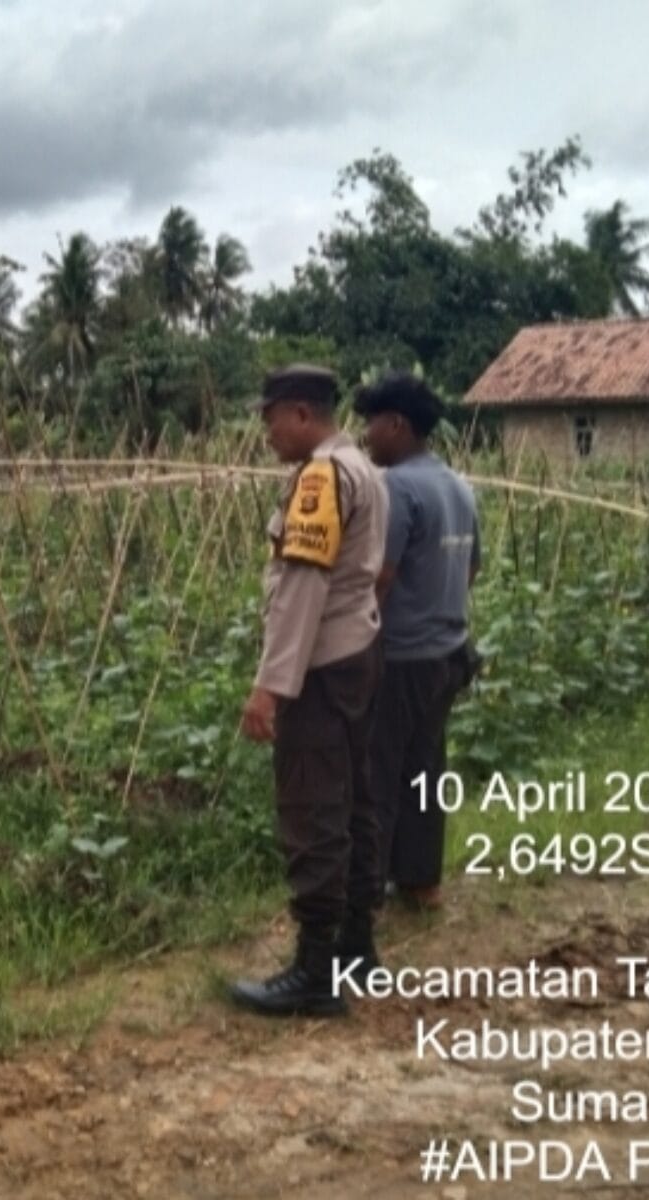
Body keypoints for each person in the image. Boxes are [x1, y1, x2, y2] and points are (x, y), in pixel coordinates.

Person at [230, 364, 388, 1017]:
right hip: (358, 651)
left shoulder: (322, 478)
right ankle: (355, 944)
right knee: (355, 797)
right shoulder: (364, 468)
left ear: (300, 414)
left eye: (270, 420)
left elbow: (301, 590)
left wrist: (270, 687)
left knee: (313, 807)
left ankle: (315, 972)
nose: (266, 433)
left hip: (321, 666)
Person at [353, 371, 481, 912]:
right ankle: (420, 882)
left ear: (397, 425)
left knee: (377, 772)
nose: (366, 437)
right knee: (426, 769)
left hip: (402, 655)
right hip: (449, 653)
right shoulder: (458, 486)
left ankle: (368, 891)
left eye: (372, 425)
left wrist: (355, 640)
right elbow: (470, 569)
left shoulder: (395, 487)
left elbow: (380, 577)